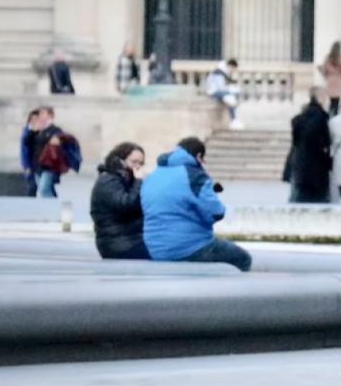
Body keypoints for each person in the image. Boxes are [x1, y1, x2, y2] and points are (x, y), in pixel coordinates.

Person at [142, 136, 252, 271]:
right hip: (186, 247)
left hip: (155, 248)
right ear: (199, 156)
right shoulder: (194, 175)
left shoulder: (153, 175)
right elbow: (216, 212)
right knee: (243, 258)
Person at [90, 142, 149, 260]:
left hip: (129, 239)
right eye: (134, 162)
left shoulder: (126, 180)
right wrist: (138, 182)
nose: (138, 167)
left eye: (141, 163)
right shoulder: (108, 181)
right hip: (118, 244)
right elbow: (127, 204)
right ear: (120, 160)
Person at [288, 87, 333, 203]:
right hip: (318, 167)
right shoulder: (323, 118)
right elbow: (327, 142)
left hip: (301, 166)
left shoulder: (298, 120)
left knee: (300, 202)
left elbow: (295, 141)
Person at [28, 107, 79, 199]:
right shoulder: (37, 131)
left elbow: (60, 142)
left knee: (44, 189)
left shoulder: (55, 130)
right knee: (47, 189)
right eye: (40, 114)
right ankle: (55, 207)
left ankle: (52, 208)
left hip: (49, 166)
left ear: (50, 115)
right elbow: (28, 144)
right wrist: (32, 131)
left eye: (43, 114)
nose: (41, 116)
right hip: (37, 165)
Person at [205, 60, 242, 128]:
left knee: (231, 98)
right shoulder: (218, 72)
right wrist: (230, 90)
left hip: (218, 92)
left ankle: (234, 120)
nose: (233, 71)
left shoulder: (223, 73)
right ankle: (234, 120)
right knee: (231, 97)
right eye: (233, 69)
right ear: (230, 66)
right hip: (213, 92)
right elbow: (219, 87)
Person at [319, 41, 341, 116]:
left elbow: (324, 70)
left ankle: (330, 114)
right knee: (336, 101)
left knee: (331, 100)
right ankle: (334, 115)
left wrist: (327, 77)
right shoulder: (340, 58)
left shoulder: (328, 57)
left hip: (330, 80)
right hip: (338, 80)